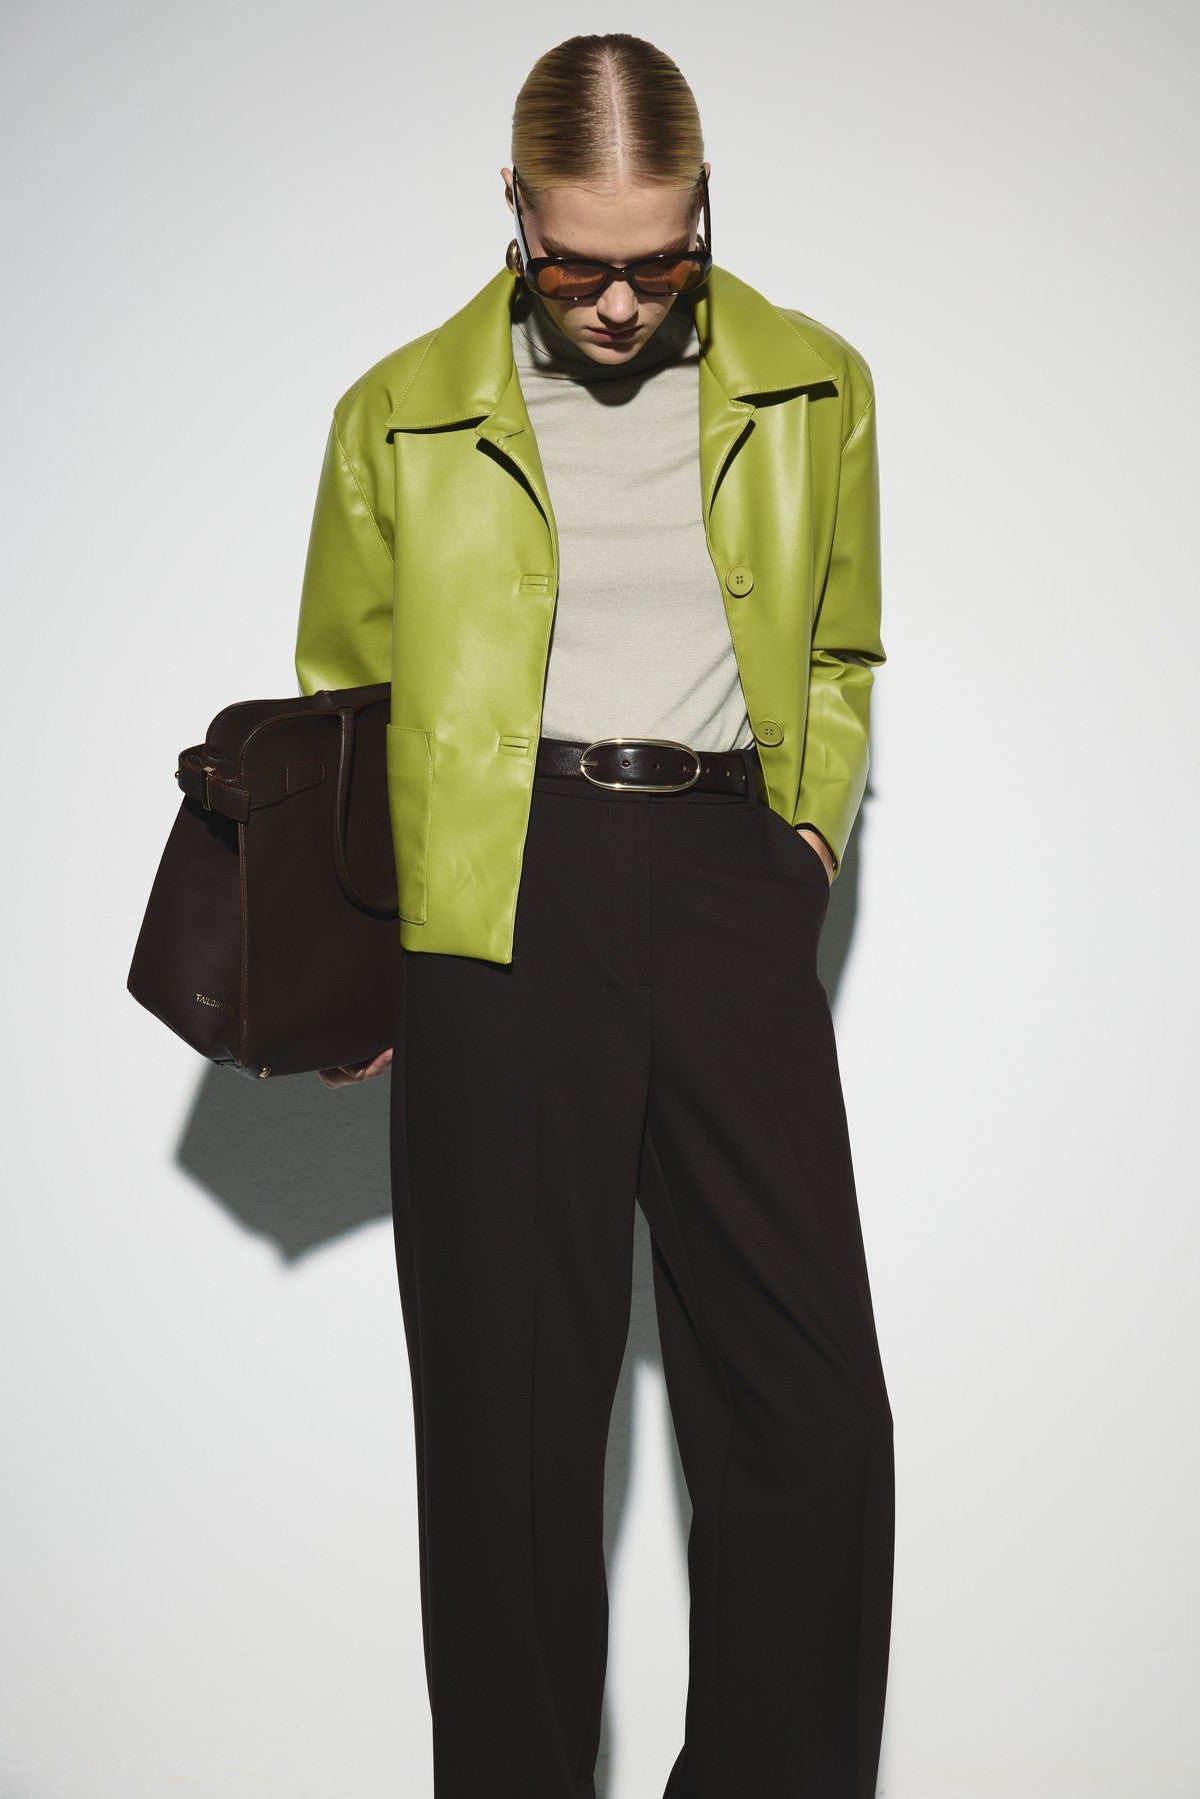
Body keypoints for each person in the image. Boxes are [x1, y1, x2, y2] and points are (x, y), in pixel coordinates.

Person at [294, 31, 893, 1799]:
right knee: (511, 1436)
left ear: (703, 209)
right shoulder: (397, 412)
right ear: (513, 210)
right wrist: (366, 945)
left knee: (810, 1419)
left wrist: (801, 848)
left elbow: (841, 650)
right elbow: (344, 699)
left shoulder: (818, 386)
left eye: (659, 258)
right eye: (574, 264)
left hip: (723, 879)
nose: (620, 303)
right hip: (496, 904)